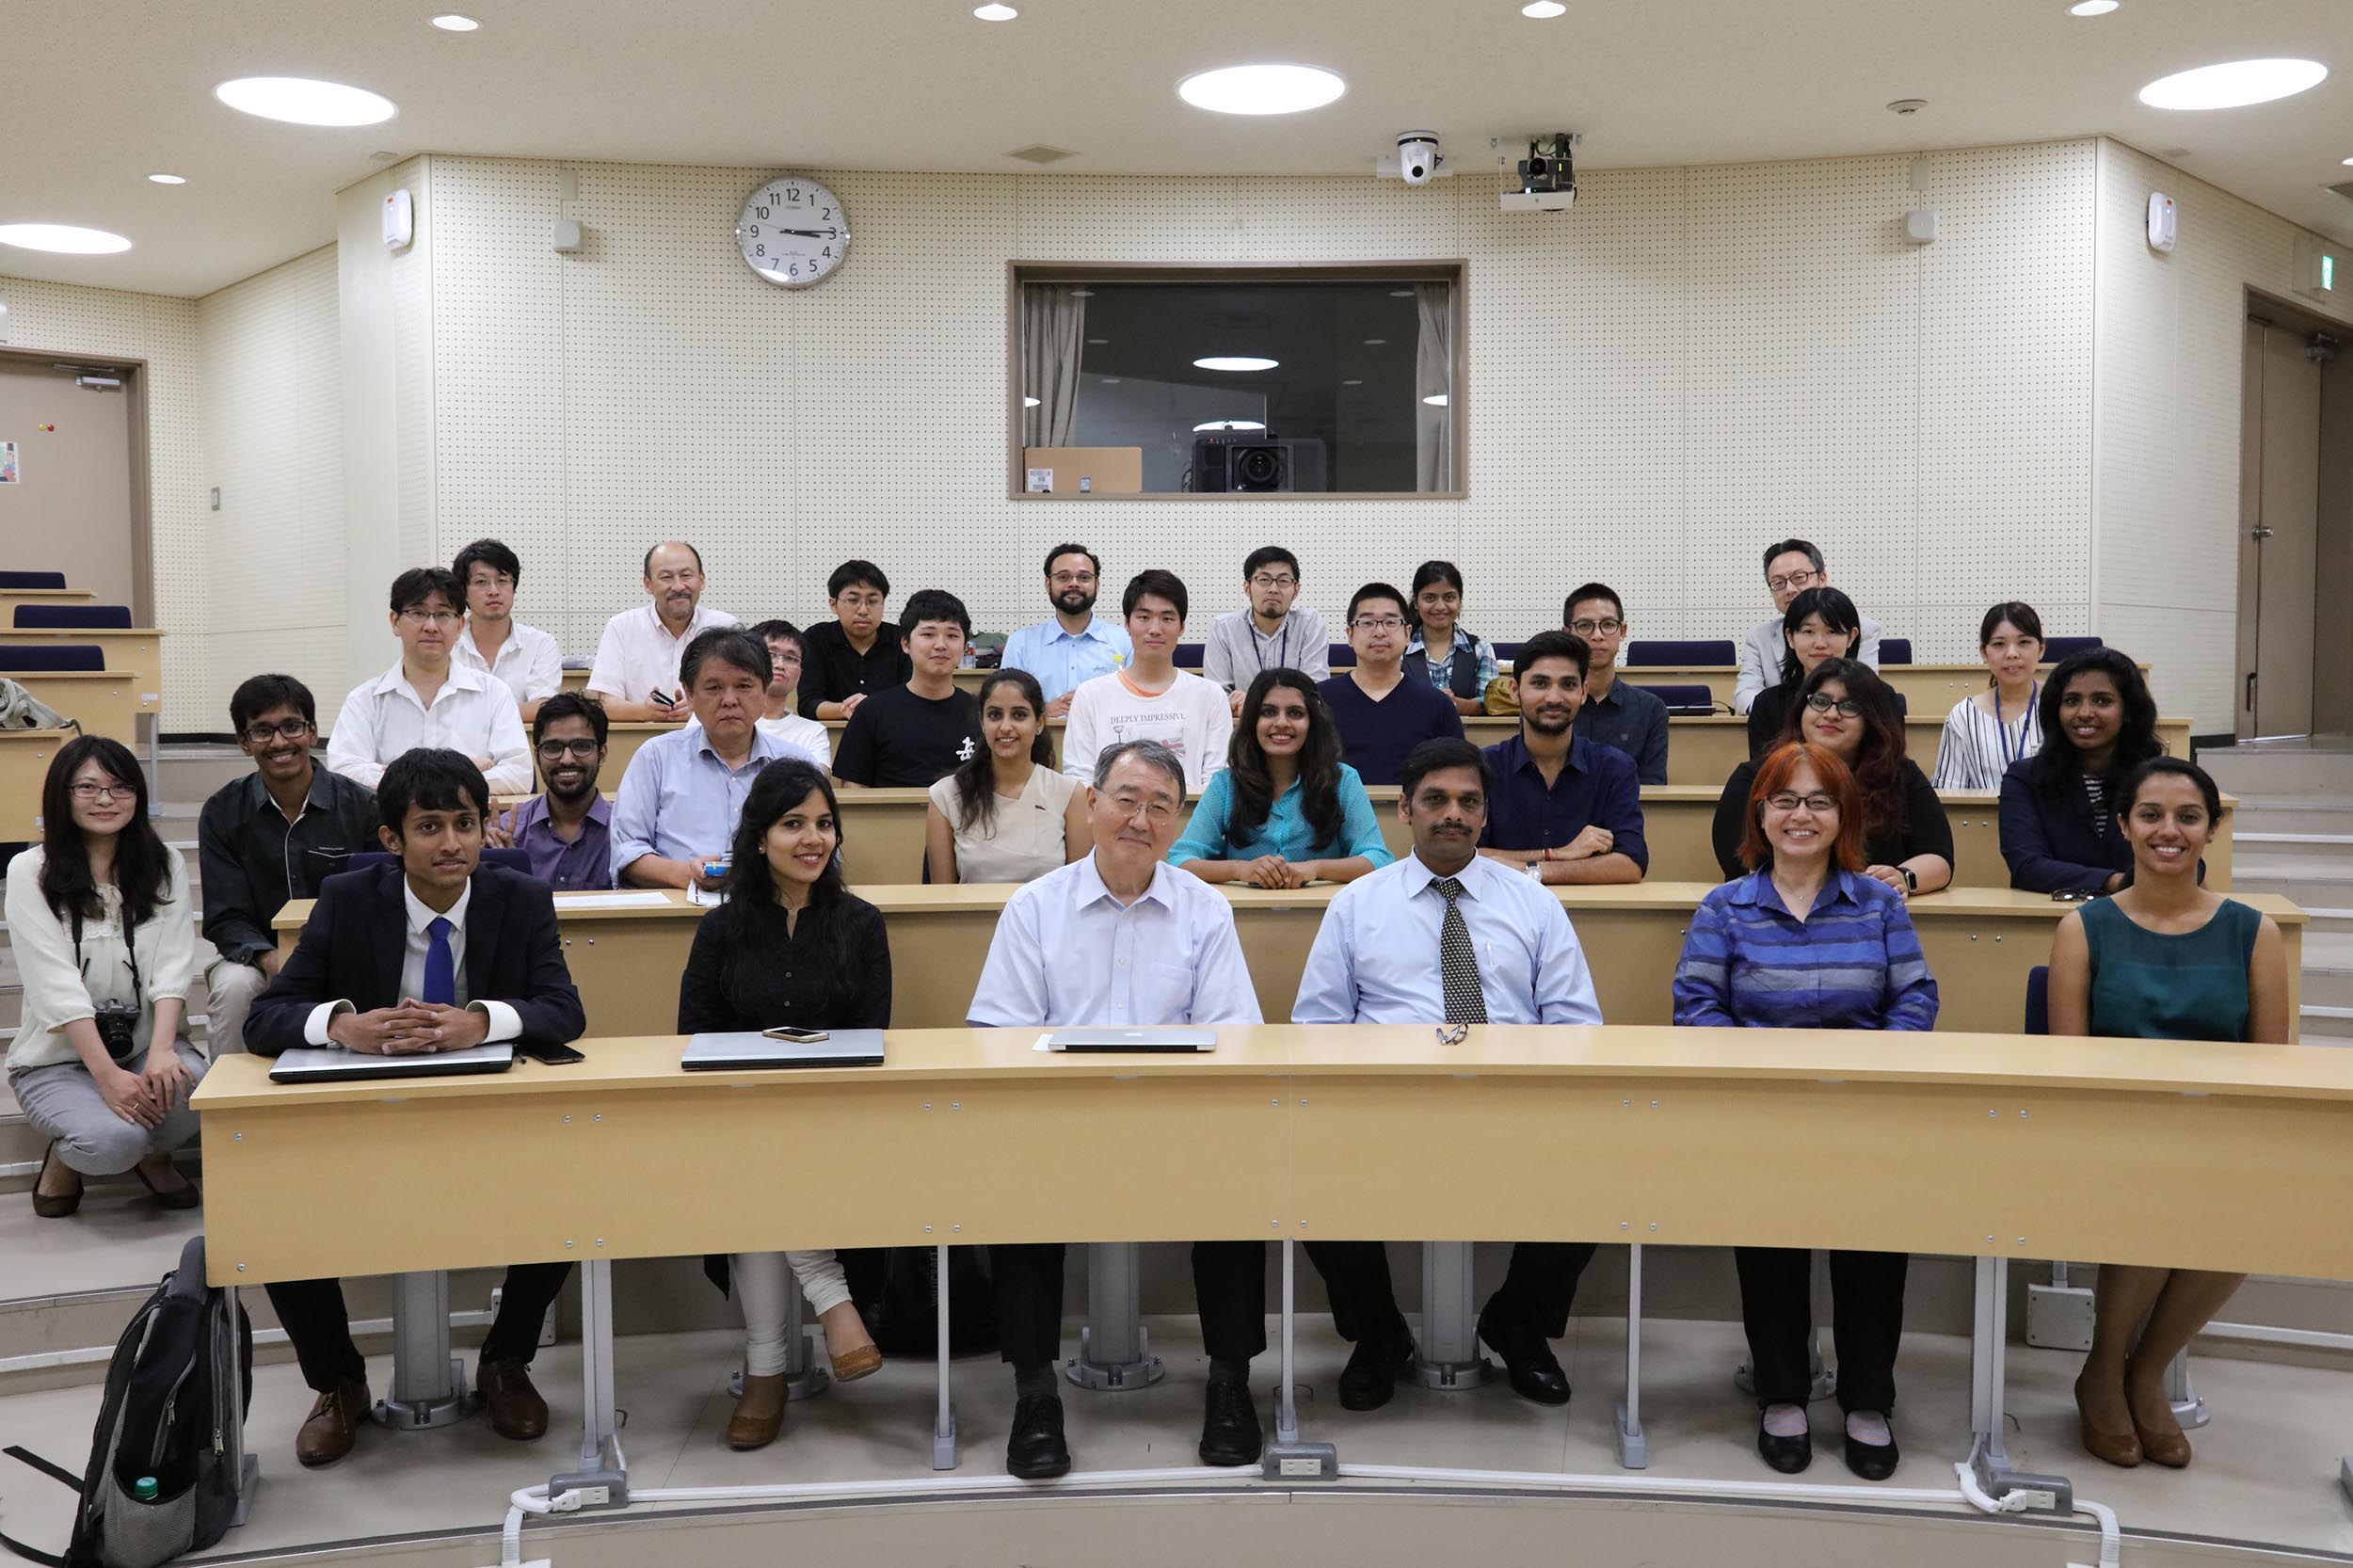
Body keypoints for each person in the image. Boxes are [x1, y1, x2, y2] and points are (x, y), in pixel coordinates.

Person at [244, 749, 587, 1465]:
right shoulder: (348, 898)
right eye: (429, 826)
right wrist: (343, 1025)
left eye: (466, 823)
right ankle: (338, 1382)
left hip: (487, 1117)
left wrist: (482, 1021)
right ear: (391, 840)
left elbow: (564, 1010)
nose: (453, 843)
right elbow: (266, 1017)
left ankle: (505, 1361)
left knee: (573, 1195)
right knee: (271, 1204)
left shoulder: (517, 897)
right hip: (370, 1118)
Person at [967, 741, 1267, 1479]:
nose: (1140, 818)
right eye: (1126, 799)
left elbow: (1235, 1034)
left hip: (1181, 1122)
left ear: (1178, 822)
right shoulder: (1036, 908)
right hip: (1058, 1122)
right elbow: (999, 1038)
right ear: (1092, 804)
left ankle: (1231, 1382)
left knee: (1240, 1183)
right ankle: (1035, 1394)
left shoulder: (1206, 909)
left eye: (1160, 805)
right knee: (1018, 1192)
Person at [1291, 737, 1604, 1411]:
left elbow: (1577, 1025)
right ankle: (1377, 1331)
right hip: (1384, 1105)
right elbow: (1316, 1028)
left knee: (1601, 1173)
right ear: (1405, 809)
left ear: (1486, 814)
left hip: (1514, 1100)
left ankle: (1517, 1319)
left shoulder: (1532, 903)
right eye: (1435, 800)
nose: (1452, 814)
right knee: (1307, 1177)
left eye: (1468, 802)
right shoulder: (1356, 905)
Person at [1672, 741, 1938, 1480]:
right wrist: (1761, 1072)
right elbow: (1696, 1008)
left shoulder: (1880, 902)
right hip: (1765, 1114)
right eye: (1785, 800)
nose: (1801, 815)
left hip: (1866, 1112)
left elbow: (1916, 997)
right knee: (1772, 1254)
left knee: (1872, 1253)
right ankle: (1782, 1394)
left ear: (1844, 815)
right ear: (1760, 813)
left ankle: (1866, 1402)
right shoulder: (1726, 907)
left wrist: (1879, 1061)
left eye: (1819, 800)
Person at [2049, 758, 2290, 1470]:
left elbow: (2269, 1066)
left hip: (2217, 1132)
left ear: (2210, 830)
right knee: (2160, 1192)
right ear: (2123, 826)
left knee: (2251, 1212)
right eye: (2150, 814)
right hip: (2114, 1132)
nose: (2169, 830)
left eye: (2188, 816)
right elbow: (2072, 1064)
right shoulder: (2082, 928)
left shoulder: (2257, 932)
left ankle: (2143, 1371)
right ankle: (2102, 1369)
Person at [678, 761, 889, 1449]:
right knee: (756, 1155)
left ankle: (766, 1369)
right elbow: (693, 1033)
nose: (813, 838)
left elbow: (872, 1034)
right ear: (759, 836)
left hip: (835, 1118)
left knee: (772, 1164)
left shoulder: (861, 924)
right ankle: (831, 1301)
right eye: (794, 823)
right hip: (740, 1114)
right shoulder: (723, 928)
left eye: (824, 823)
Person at [10, 737, 203, 1219]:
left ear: (137, 796)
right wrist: (107, 1076)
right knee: (112, 1141)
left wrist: (160, 1050)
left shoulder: (165, 863)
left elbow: (174, 963)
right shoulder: (29, 871)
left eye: (120, 788)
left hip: (142, 1046)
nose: (105, 800)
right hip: (59, 1061)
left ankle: (154, 1155)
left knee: (195, 1085)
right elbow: (54, 984)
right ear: (62, 795)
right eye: (88, 788)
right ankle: (68, 1157)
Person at [199, 674, 379, 1054]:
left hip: (346, 955)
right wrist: (271, 958)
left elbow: (377, 897)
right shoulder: (222, 811)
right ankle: (231, 1107)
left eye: (291, 727)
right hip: (258, 959)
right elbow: (225, 915)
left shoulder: (362, 806)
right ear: (243, 742)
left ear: (313, 732)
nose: (279, 742)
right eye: (262, 731)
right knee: (233, 987)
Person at [1712, 661, 1952, 896]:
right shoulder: (1756, 776)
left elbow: (1939, 857)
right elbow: (1737, 860)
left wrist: (1902, 877)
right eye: (1819, 702)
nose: (1831, 714)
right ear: (1801, 711)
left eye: (1849, 706)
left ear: (1871, 720)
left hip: (1869, 914)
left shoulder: (1899, 775)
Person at [612, 628, 802, 891]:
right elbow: (626, 850)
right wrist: (682, 873)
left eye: (744, 686)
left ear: (765, 689)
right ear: (689, 694)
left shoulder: (795, 764)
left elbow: (822, 851)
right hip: (680, 911)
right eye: (714, 688)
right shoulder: (656, 756)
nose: (729, 700)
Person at [1171, 667, 1390, 888]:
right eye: (1268, 712)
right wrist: (1240, 869)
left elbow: (1379, 859)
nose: (1282, 723)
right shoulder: (1226, 784)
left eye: (1295, 713)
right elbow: (1180, 860)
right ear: (1252, 721)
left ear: (1312, 722)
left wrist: (1314, 869)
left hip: (1323, 914)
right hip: (1245, 917)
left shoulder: (1343, 780)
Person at [328, 567, 532, 794]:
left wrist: (401, 778)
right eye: (418, 613)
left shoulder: (494, 693)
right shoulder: (365, 699)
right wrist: (463, 773)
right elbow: (343, 771)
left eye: (443, 614)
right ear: (395, 621)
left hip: (471, 828)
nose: (431, 627)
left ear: (459, 626)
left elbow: (519, 773)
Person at [1476, 631, 1646, 884]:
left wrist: (1532, 870)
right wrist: (1558, 854)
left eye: (1568, 685)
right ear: (1514, 690)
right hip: (1502, 914)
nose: (1554, 698)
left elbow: (1630, 864)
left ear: (1583, 692)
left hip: (1591, 916)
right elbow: (1466, 857)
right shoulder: (1482, 767)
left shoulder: (1615, 768)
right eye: (1540, 683)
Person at [1999, 648, 2167, 896]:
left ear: (2128, 710)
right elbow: (2027, 866)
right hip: (2051, 918)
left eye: (2102, 701)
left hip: (2146, 915)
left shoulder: (2158, 777)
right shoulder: (2025, 777)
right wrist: (2117, 883)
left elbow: (2191, 862)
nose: (2085, 713)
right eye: (2072, 701)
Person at [1062, 569, 1232, 790]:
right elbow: (1080, 778)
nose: (1155, 629)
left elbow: (1216, 779)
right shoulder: (1091, 695)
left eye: (1167, 619)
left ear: (1182, 627)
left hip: (1190, 821)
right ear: (1127, 624)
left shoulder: (1210, 695)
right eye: (1144, 617)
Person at [924, 669, 1088, 884]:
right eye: (995, 715)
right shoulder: (945, 795)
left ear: (1039, 723)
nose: (1006, 727)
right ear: (982, 722)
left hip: (1046, 918)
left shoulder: (1070, 794)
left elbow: (1077, 890)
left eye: (1019, 715)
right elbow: (942, 899)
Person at [832, 589, 984, 789]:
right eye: (928, 634)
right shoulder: (871, 712)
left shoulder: (981, 713)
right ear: (905, 644)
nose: (940, 645)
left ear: (965, 647)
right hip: (890, 819)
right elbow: (854, 791)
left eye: (952, 635)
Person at [1316, 583, 1465, 786]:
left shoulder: (1437, 705)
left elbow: (1458, 775)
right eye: (1367, 623)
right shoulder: (1320, 700)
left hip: (1412, 816)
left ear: (1407, 634)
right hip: (1335, 815)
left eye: (1390, 622)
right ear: (1350, 635)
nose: (1379, 632)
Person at [584, 542, 741, 722]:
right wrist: (644, 711)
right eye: (666, 577)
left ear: (702, 580)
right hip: (642, 742)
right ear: (648, 584)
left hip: (713, 740)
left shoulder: (726, 627)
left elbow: (745, 694)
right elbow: (604, 703)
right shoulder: (621, 627)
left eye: (686, 575)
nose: (678, 586)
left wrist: (701, 710)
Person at [1735, 539, 1882, 713]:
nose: (1789, 589)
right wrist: (1776, 713)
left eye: (1799, 577)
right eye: (1778, 583)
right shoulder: (1759, 636)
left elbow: (1865, 690)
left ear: (1822, 579)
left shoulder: (1861, 628)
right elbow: (1744, 695)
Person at [499, 693, 616, 890]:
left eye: (581, 746)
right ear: (537, 756)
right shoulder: (508, 833)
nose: (567, 759)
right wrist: (498, 866)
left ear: (602, 755)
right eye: (553, 747)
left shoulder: (625, 830)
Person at [1000, 543, 1132, 717]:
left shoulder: (1125, 640)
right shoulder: (1021, 643)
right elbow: (1004, 705)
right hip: (1042, 741)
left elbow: (1139, 700)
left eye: (1084, 578)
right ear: (1048, 584)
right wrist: (1042, 712)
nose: (1074, 584)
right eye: (1063, 577)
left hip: (1108, 739)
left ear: (1097, 584)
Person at [1931, 602, 2047, 790]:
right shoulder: (1964, 716)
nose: (2012, 654)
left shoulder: (2061, 706)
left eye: (2023, 642)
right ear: (1984, 652)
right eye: (1999, 644)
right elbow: (1949, 793)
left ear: (2041, 649)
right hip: (1986, 819)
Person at [1202, 547, 1331, 714]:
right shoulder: (1224, 628)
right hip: (1242, 730)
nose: (1273, 589)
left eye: (1283, 581)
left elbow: (1316, 691)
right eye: (1264, 580)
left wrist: (1253, 703)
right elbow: (1216, 697)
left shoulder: (1310, 624)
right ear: (1247, 587)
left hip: (1296, 728)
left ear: (1296, 590)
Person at [1564, 583, 1670, 786]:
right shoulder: (1549, 705)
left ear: (1622, 631)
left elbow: (1652, 788)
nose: (1597, 635)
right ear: (1567, 632)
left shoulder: (1651, 710)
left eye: (1608, 624)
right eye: (1585, 625)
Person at [1745, 586, 1866, 760]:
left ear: (1851, 637)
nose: (1820, 643)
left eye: (1832, 631)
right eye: (1808, 631)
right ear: (1790, 638)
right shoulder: (1768, 704)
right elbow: (1763, 774)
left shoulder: (1880, 698)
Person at [450, 537, 563, 719]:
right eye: (481, 582)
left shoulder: (540, 643)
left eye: (502, 581)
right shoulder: (448, 643)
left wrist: (477, 716)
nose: (493, 591)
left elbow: (543, 708)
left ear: (513, 587)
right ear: (464, 593)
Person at [797, 559, 909, 720]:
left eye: (872, 601)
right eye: (853, 600)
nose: (863, 610)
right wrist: (847, 709)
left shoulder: (902, 641)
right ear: (833, 604)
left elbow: (912, 699)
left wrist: (869, 708)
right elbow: (808, 705)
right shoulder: (816, 639)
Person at [1402, 560, 1497, 715]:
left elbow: (1489, 704)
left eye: (1449, 597)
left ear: (1460, 601)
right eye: (1430, 598)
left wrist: (1453, 703)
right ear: (1416, 603)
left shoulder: (1481, 649)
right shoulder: (1399, 648)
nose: (1440, 606)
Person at [747, 618, 832, 768]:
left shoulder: (812, 732)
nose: (780, 665)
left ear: (800, 673)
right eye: (771, 654)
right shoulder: (718, 717)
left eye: (790, 658)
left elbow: (819, 780)